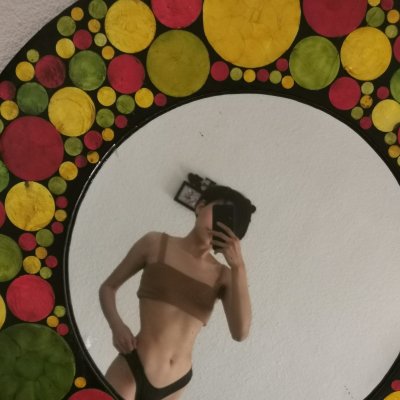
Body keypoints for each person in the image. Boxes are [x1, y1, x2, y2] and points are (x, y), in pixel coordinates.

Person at [99, 185, 256, 400]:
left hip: (176, 383)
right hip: (134, 365)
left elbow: (240, 333)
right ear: (200, 207)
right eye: (219, 213)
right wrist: (116, 326)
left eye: (230, 223)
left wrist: (239, 267)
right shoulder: (155, 243)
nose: (219, 225)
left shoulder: (224, 276)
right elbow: (108, 287)